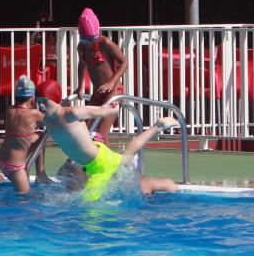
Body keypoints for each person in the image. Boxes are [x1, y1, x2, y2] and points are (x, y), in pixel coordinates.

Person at [35, 79, 179, 202]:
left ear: (55, 99)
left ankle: (157, 127)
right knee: (126, 158)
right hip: (88, 161)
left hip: (100, 164)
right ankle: (162, 181)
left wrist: (112, 109)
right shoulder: (47, 120)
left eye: (44, 101)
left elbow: (101, 111)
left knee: (89, 206)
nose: (41, 106)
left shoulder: (72, 113)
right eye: (38, 102)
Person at [76, 7, 127, 142]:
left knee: (101, 134)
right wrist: (80, 86)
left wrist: (111, 82)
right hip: (98, 93)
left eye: (92, 39)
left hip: (114, 92)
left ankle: (111, 163)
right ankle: (89, 162)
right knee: (86, 131)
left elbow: (124, 63)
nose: (89, 43)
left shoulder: (106, 44)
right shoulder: (82, 47)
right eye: (86, 40)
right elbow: (82, 65)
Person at [0, 75, 51, 193]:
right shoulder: (34, 114)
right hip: (15, 168)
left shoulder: (10, 110)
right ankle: (40, 173)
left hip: (2, 160)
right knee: (24, 198)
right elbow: (55, 120)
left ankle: (41, 175)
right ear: (32, 99)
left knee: (39, 135)